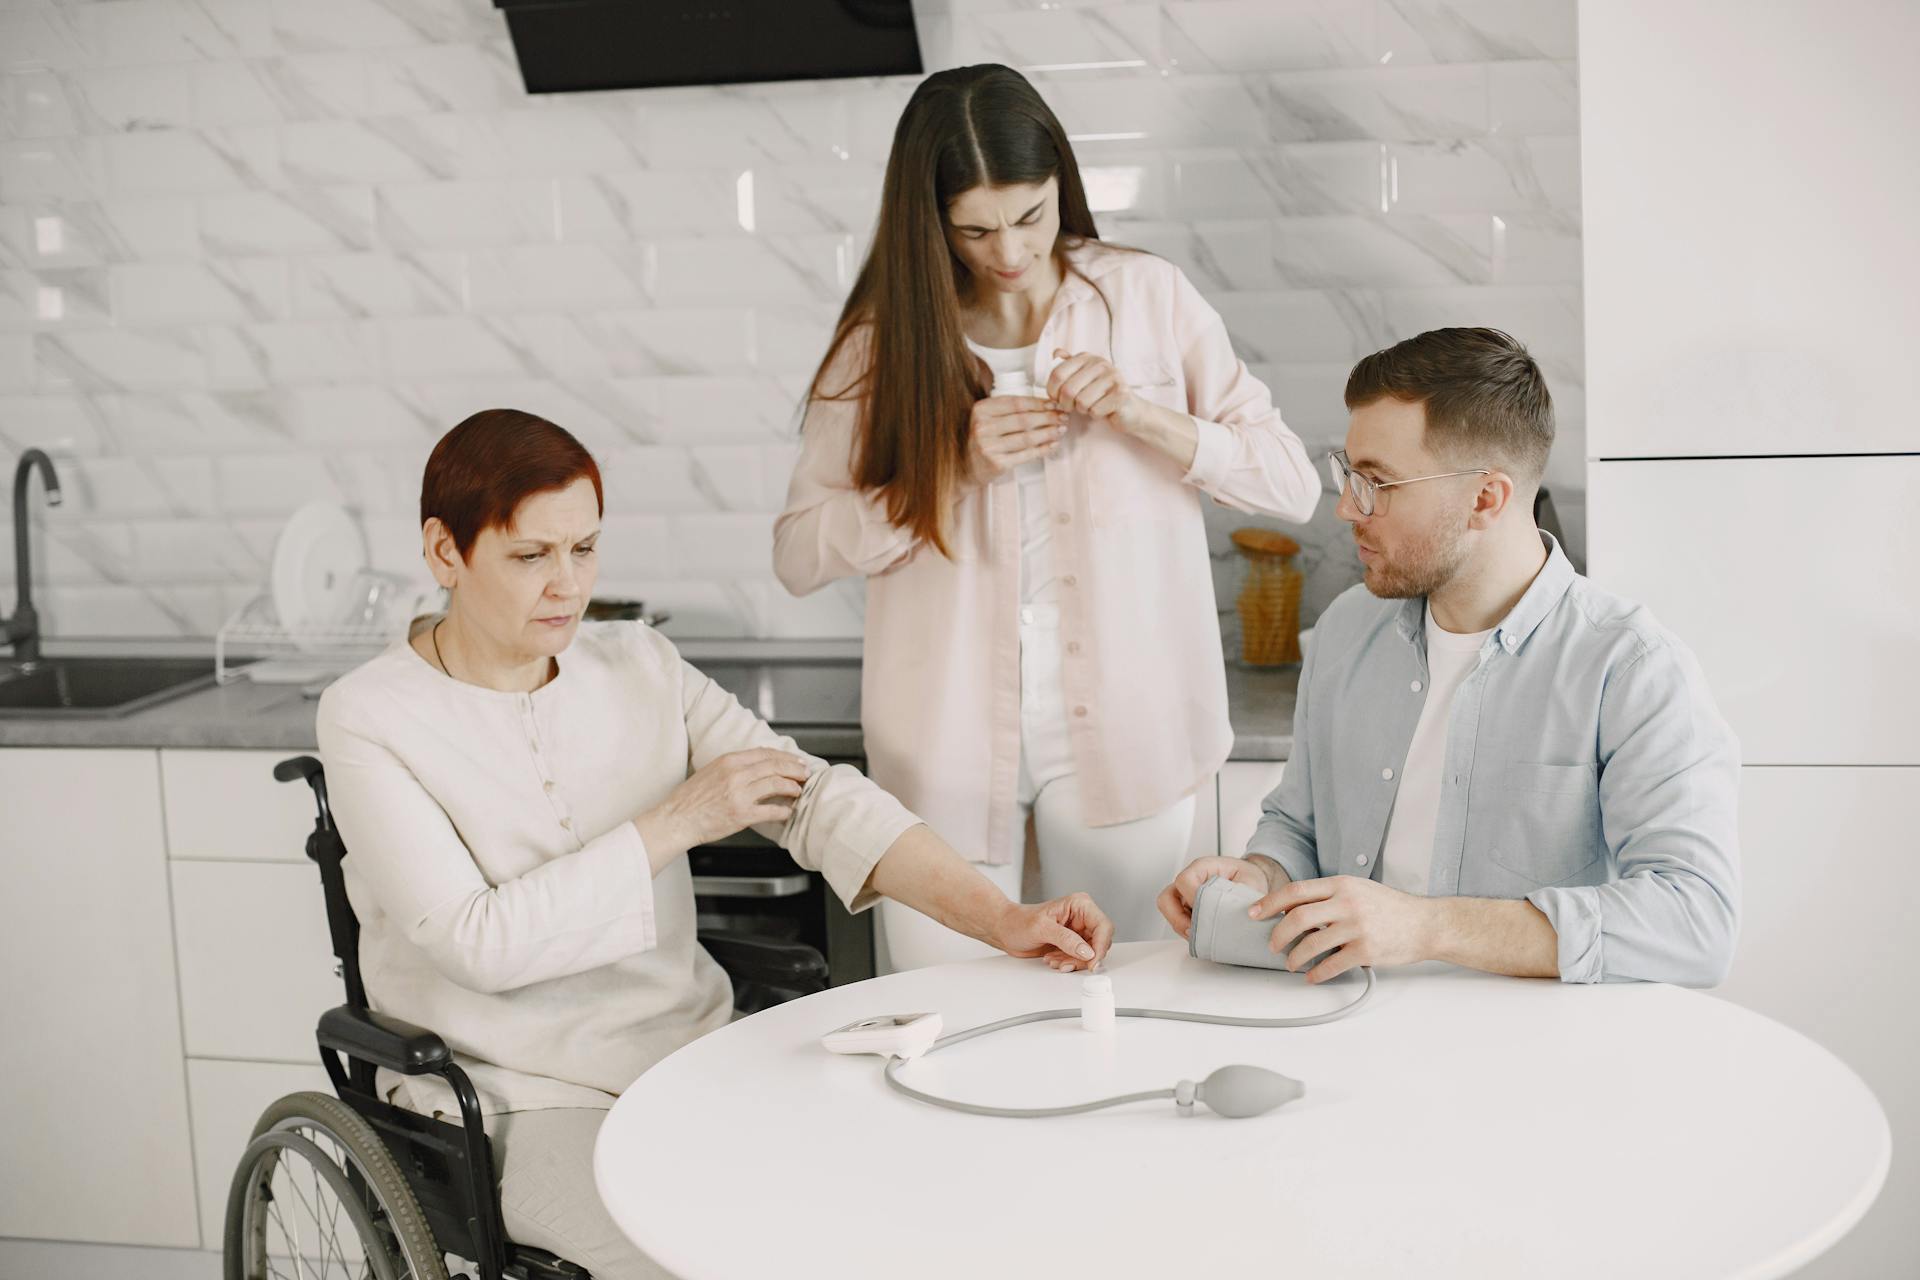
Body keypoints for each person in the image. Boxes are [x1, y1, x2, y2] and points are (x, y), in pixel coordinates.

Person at [317, 409, 1115, 1280]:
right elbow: (477, 942)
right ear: (444, 552)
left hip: (687, 1061)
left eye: (584, 550)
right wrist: (677, 820)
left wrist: (1001, 917)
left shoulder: (637, 664)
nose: (567, 586)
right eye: (530, 556)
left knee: (895, 1204)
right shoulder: (371, 715)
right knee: (689, 1259)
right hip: (513, 1097)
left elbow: (818, 803)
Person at [773, 64, 1320, 968]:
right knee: (944, 1029)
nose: (1012, 251)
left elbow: (1290, 483)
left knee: (1128, 1001)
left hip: (1131, 730)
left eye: (1031, 215)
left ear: (1060, 181)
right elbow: (798, 553)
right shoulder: (884, 339)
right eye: (976, 229)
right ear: (932, 221)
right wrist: (949, 470)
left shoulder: (1148, 298)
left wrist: (1143, 416)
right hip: (943, 748)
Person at [1159, 328, 1740, 988]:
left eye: (1377, 482)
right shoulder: (1347, 629)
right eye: (1347, 474)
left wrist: (1426, 926)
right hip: (1348, 1026)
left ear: (1485, 499)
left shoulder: (1632, 669)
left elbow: (1697, 923)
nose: (1347, 507)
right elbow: (1298, 825)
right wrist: (1259, 875)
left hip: (1536, 1057)